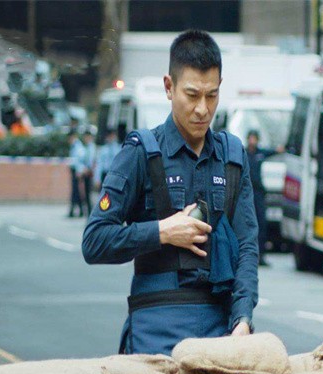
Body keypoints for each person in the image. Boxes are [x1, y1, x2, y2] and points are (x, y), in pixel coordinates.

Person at [82, 29, 259, 356]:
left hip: (221, 326)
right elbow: (94, 242)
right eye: (192, 95)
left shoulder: (233, 157)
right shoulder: (140, 152)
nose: (203, 109)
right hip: (155, 323)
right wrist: (162, 232)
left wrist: (243, 319)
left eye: (212, 95)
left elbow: (247, 246)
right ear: (169, 87)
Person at [245, 130, 284, 266]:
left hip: (259, 192)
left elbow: (273, 151)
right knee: (246, 224)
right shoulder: (243, 153)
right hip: (246, 192)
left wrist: (280, 149)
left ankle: (261, 255)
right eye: (251, 138)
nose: (252, 141)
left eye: (255, 139)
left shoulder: (260, 153)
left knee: (261, 223)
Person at [67, 130, 86, 217]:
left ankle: (74, 211)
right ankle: (79, 210)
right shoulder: (74, 146)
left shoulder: (78, 146)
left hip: (77, 171)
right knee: (76, 192)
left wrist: (78, 172)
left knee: (76, 192)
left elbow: (80, 160)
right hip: (74, 170)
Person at [81, 129, 98, 215]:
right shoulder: (87, 147)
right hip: (87, 173)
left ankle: (91, 215)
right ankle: (89, 215)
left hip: (90, 174)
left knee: (90, 196)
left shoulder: (91, 147)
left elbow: (92, 162)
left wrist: (87, 169)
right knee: (88, 196)